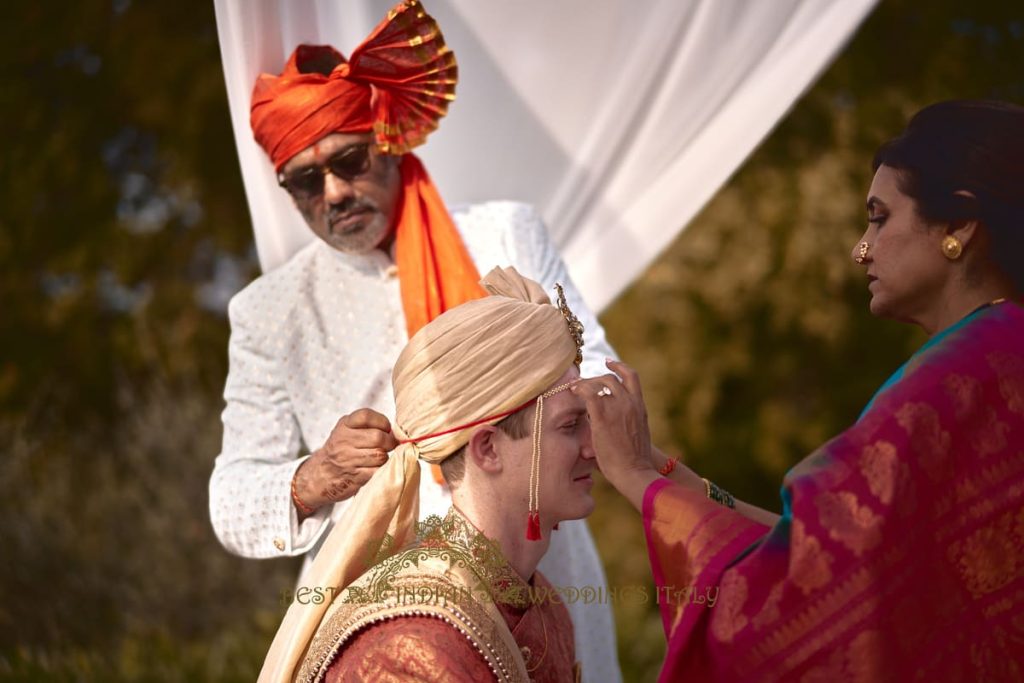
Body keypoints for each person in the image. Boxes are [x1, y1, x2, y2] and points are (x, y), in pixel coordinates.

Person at [207, 1, 619, 678]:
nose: (335, 192)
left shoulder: (503, 236)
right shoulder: (269, 313)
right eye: (306, 181)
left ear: (391, 142)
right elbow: (231, 502)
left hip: (542, 573)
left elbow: (601, 373)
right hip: (391, 614)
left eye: (350, 160)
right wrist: (313, 478)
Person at [572, 99, 1024, 681]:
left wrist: (633, 479)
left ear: (960, 225)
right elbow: (829, 551)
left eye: (880, 217)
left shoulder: (957, 379)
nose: (862, 248)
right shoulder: (999, 355)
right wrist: (663, 474)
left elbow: (804, 604)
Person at [259, 267, 595, 682]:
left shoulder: (546, 608)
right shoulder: (409, 645)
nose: (592, 448)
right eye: (570, 426)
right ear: (488, 448)